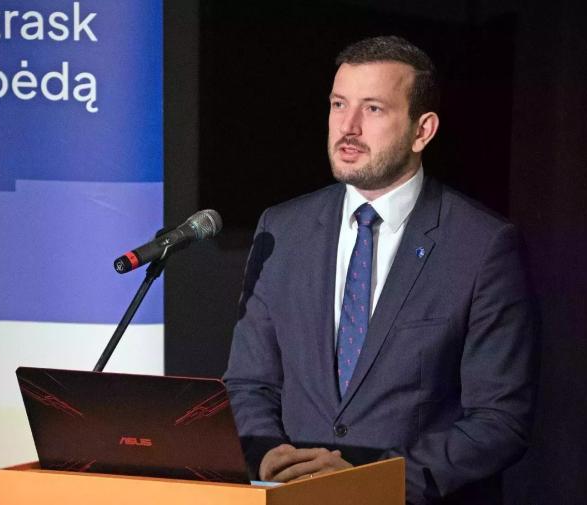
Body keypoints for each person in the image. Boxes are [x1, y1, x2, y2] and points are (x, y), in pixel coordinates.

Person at [223, 35, 538, 505]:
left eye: (372, 109)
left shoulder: (482, 245)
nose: (347, 127)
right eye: (338, 104)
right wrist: (268, 455)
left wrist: (373, 480)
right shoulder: (282, 229)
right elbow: (250, 382)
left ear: (422, 130)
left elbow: (500, 419)